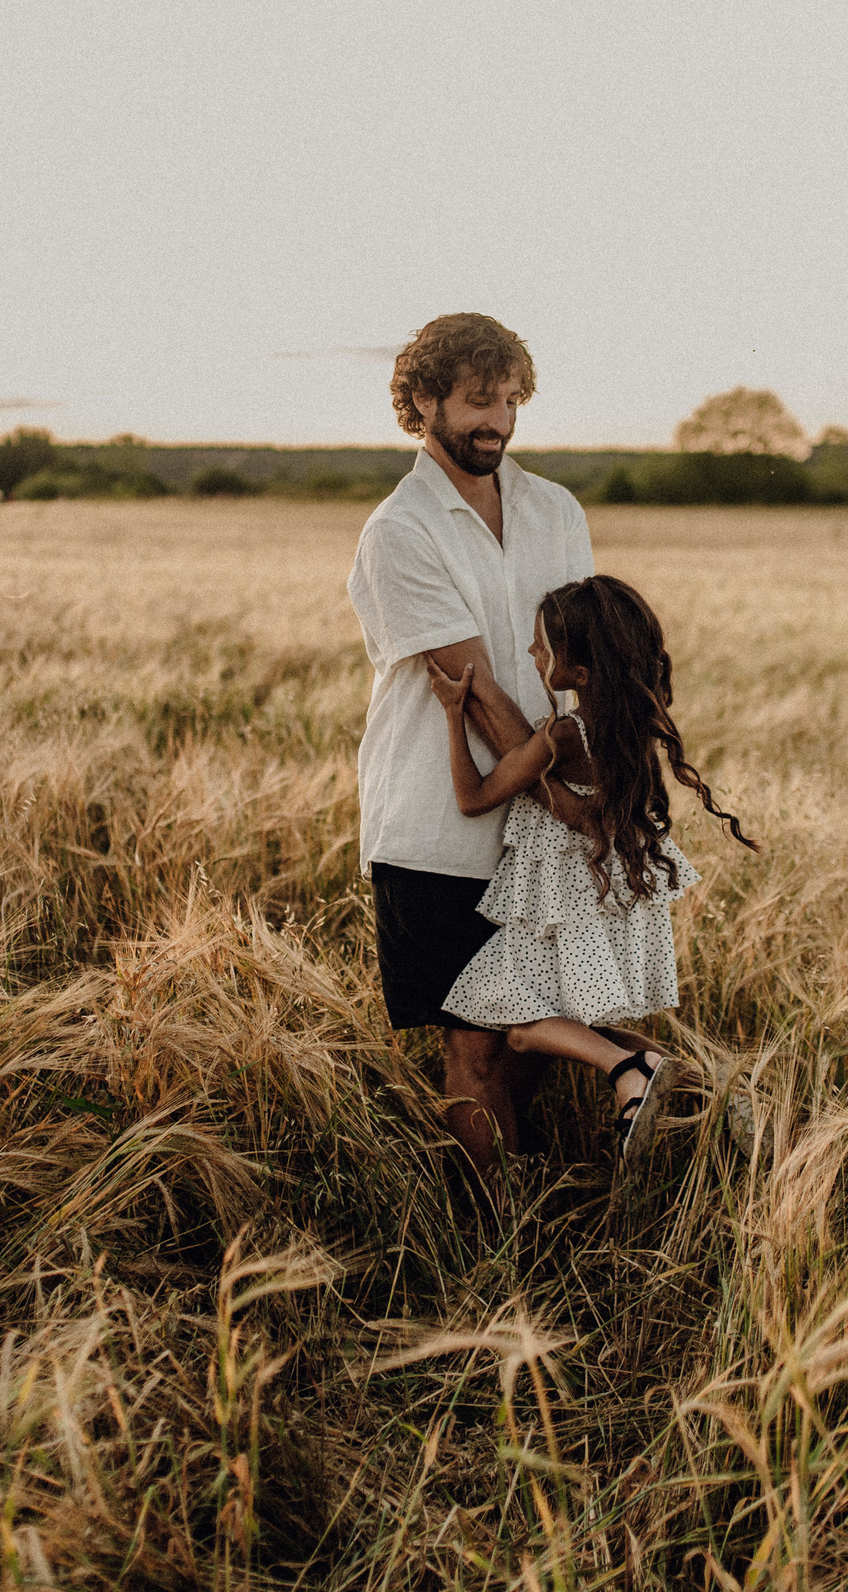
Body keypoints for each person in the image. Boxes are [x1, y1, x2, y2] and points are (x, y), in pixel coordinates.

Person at [346, 312, 659, 1182]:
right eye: (480, 400)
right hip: (441, 825)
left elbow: (590, 659)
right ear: (421, 400)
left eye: (512, 400)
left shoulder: (555, 509)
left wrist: (610, 789)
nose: (500, 421)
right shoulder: (400, 529)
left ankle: (537, 1218)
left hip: (546, 824)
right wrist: (571, 806)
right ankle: (492, 1243)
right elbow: (476, 686)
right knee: (476, 1041)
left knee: (537, 1028)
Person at [428, 576, 757, 1166]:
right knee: (553, 1023)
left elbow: (474, 797)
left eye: (542, 646)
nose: (531, 652)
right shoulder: (628, 726)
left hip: (561, 903)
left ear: (577, 671)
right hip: (602, 895)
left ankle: (629, 1070)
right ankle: (710, 1081)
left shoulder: (565, 733)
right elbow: (580, 808)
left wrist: (454, 715)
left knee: (513, 1024)